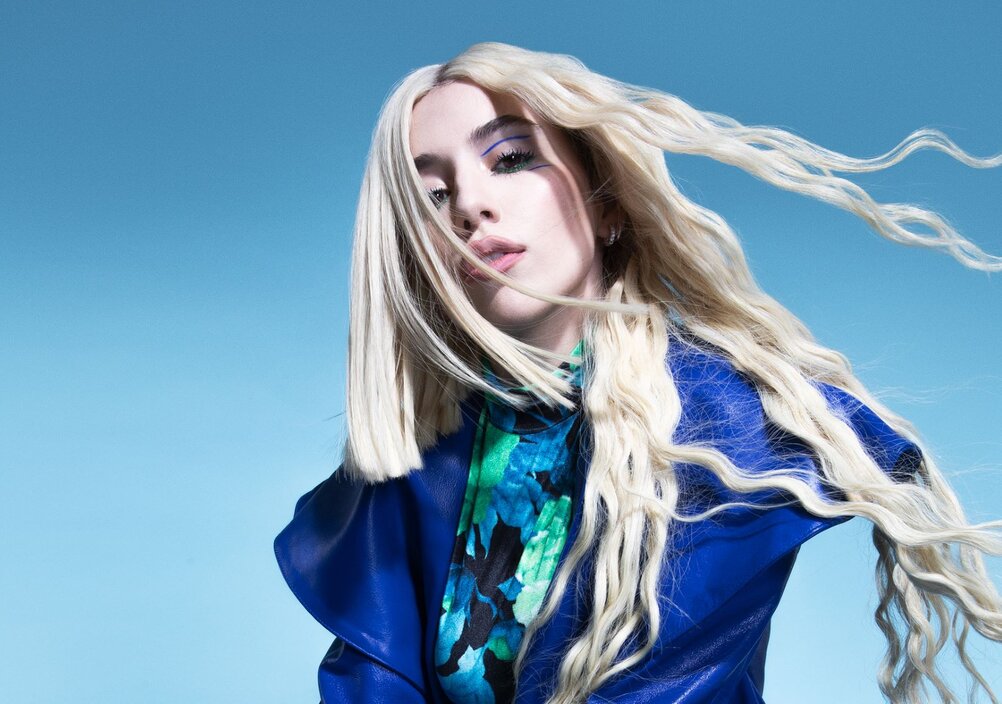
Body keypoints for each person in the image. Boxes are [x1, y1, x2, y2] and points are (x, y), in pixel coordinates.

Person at [274, 42, 1002, 703]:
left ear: (608, 207)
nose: (469, 204)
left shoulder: (727, 432)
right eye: (431, 196)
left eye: (511, 159)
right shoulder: (418, 466)